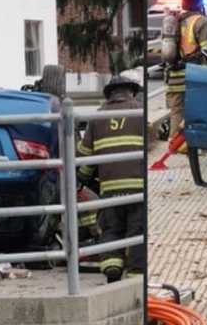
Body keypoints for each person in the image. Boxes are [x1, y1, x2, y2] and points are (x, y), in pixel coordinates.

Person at [76, 75, 144, 283]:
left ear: (110, 95)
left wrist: (82, 178)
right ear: (131, 92)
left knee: (111, 229)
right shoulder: (140, 112)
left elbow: (85, 155)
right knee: (137, 231)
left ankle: (112, 269)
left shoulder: (98, 117)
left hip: (110, 188)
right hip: (138, 188)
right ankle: (135, 276)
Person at [161, 0, 207, 142]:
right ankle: (197, 145)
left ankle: (174, 144)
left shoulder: (176, 20)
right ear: (200, 2)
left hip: (173, 76)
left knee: (176, 112)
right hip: (192, 75)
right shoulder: (201, 22)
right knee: (199, 111)